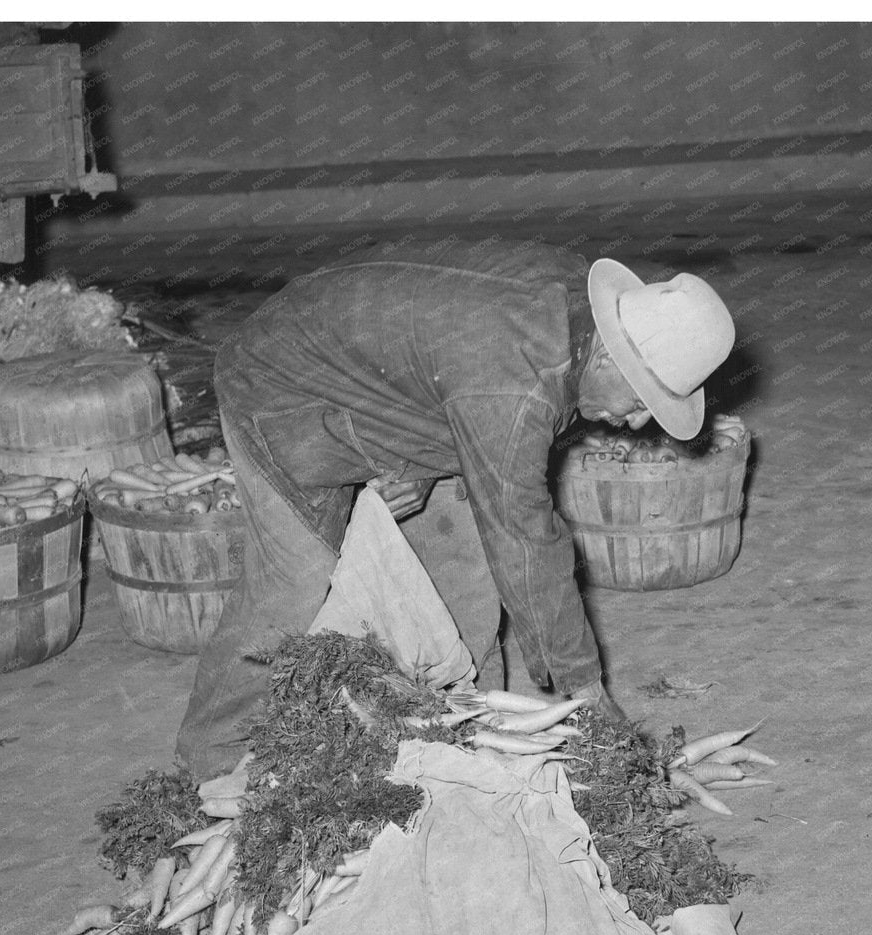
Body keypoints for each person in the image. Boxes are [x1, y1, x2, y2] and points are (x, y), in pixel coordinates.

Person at [174, 238, 736, 782]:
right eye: (640, 400)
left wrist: (417, 458)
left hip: (374, 365)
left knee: (463, 538)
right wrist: (583, 687)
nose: (638, 423)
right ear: (610, 354)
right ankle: (212, 756)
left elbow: (448, 364)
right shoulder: (512, 389)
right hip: (280, 381)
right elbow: (523, 532)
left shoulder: (569, 310)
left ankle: (462, 724)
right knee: (292, 578)